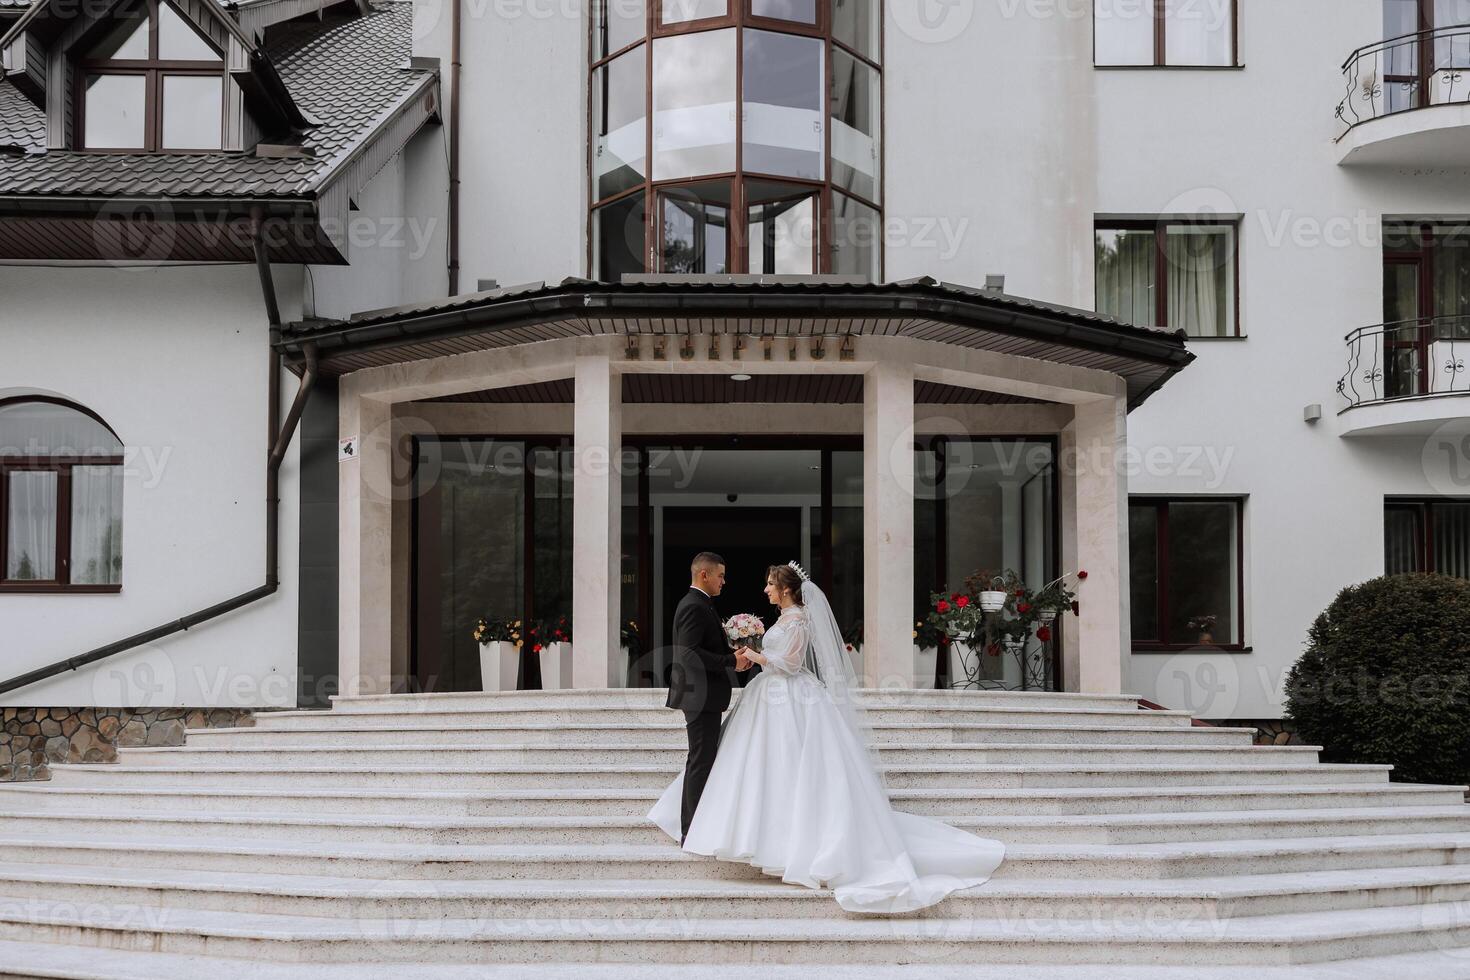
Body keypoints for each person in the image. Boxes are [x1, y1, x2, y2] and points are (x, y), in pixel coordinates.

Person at [649, 561, 1006, 913]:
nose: (765, 590)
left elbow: (788, 664)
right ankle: (714, 826)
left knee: (785, 762)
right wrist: (743, 656)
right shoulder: (781, 619)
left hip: (786, 695)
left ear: (786, 589)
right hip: (768, 695)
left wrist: (753, 655)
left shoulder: (799, 620)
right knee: (753, 762)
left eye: (771, 584)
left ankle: (779, 838)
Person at [663, 551, 751, 846]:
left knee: (702, 759)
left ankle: (694, 826)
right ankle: (690, 830)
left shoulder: (702, 604)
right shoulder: (694, 606)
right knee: (700, 761)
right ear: (705, 575)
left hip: (704, 696)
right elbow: (688, 654)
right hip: (699, 696)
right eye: (721, 575)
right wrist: (729, 661)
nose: (724, 581)